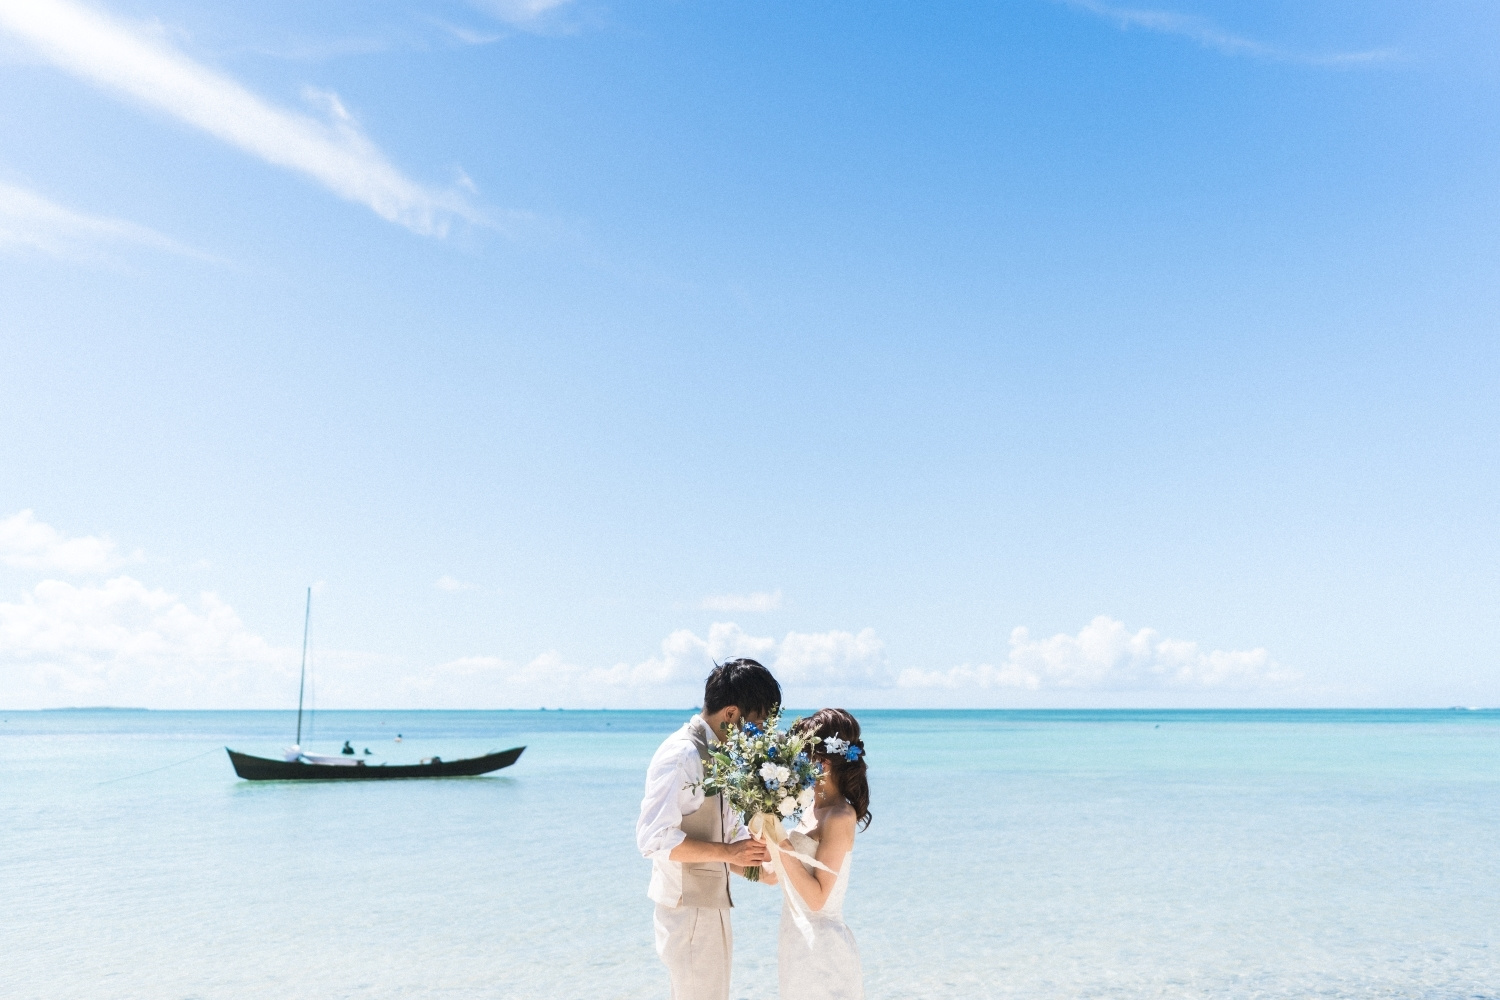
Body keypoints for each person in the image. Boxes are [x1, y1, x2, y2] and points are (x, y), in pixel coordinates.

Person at [637, 659, 782, 1000]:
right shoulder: (682, 754)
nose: (759, 734)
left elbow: (725, 840)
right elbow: (652, 839)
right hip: (687, 910)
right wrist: (728, 853)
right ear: (731, 714)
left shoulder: (717, 755)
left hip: (708, 907)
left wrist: (761, 868)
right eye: (757, 723)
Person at [773, 708, 870, 1000]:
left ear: (823, 763)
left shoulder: (840, 816)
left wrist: (780, 840)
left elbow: (817, 899)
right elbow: (773, 876)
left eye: (801, 755)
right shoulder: (811, 810)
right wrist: (727, 855)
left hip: (823, 951)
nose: (793, 763)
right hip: (795, 943)